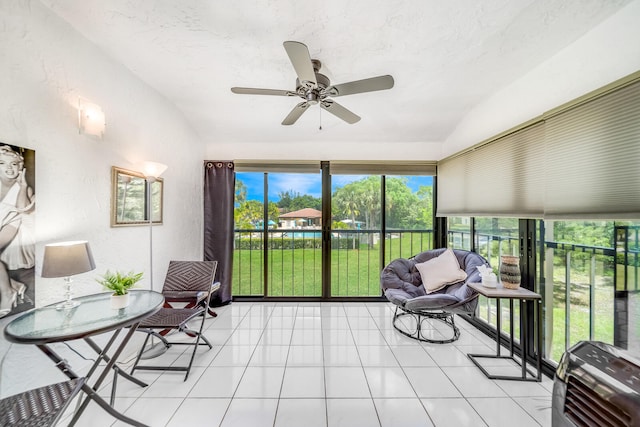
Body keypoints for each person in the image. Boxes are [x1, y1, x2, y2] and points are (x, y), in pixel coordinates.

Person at [0, 145, 35, 317]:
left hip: (11, 224)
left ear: (20, 167)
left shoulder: (24, 188)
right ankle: (14, 285)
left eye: (14, 163)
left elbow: (23, 210)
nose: (9, 168)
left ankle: (8, 292)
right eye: (2, 163)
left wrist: (22, 186)